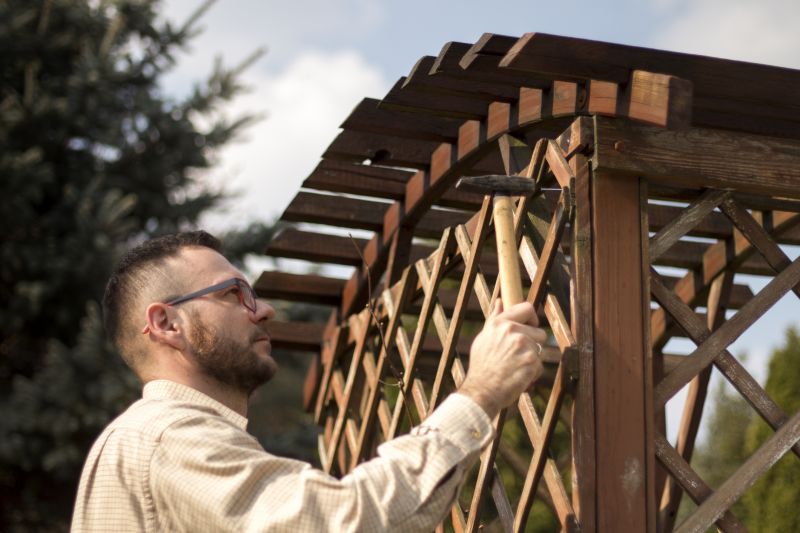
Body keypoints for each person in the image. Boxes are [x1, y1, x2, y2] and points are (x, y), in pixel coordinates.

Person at [71, 230, 546, 532]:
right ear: (166, 324)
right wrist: (481, 392)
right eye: (233, 294)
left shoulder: (149, 440)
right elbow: (345, 522)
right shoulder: (168, 437)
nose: (263, 310)